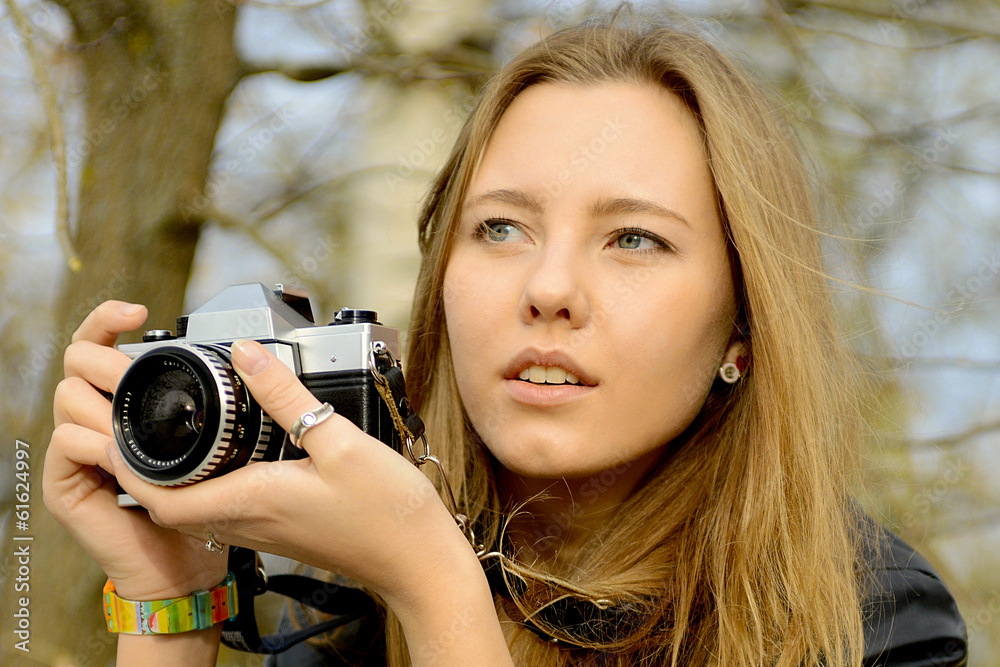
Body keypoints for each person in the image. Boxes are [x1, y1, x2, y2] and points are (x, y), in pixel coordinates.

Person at [43, 15, 967, 667]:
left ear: (745, 328)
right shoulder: (344, 605)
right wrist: (171, 600)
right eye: (501, 229)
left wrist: (433, 587)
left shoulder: (873, 619)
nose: (550, 289)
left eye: (633, 239)